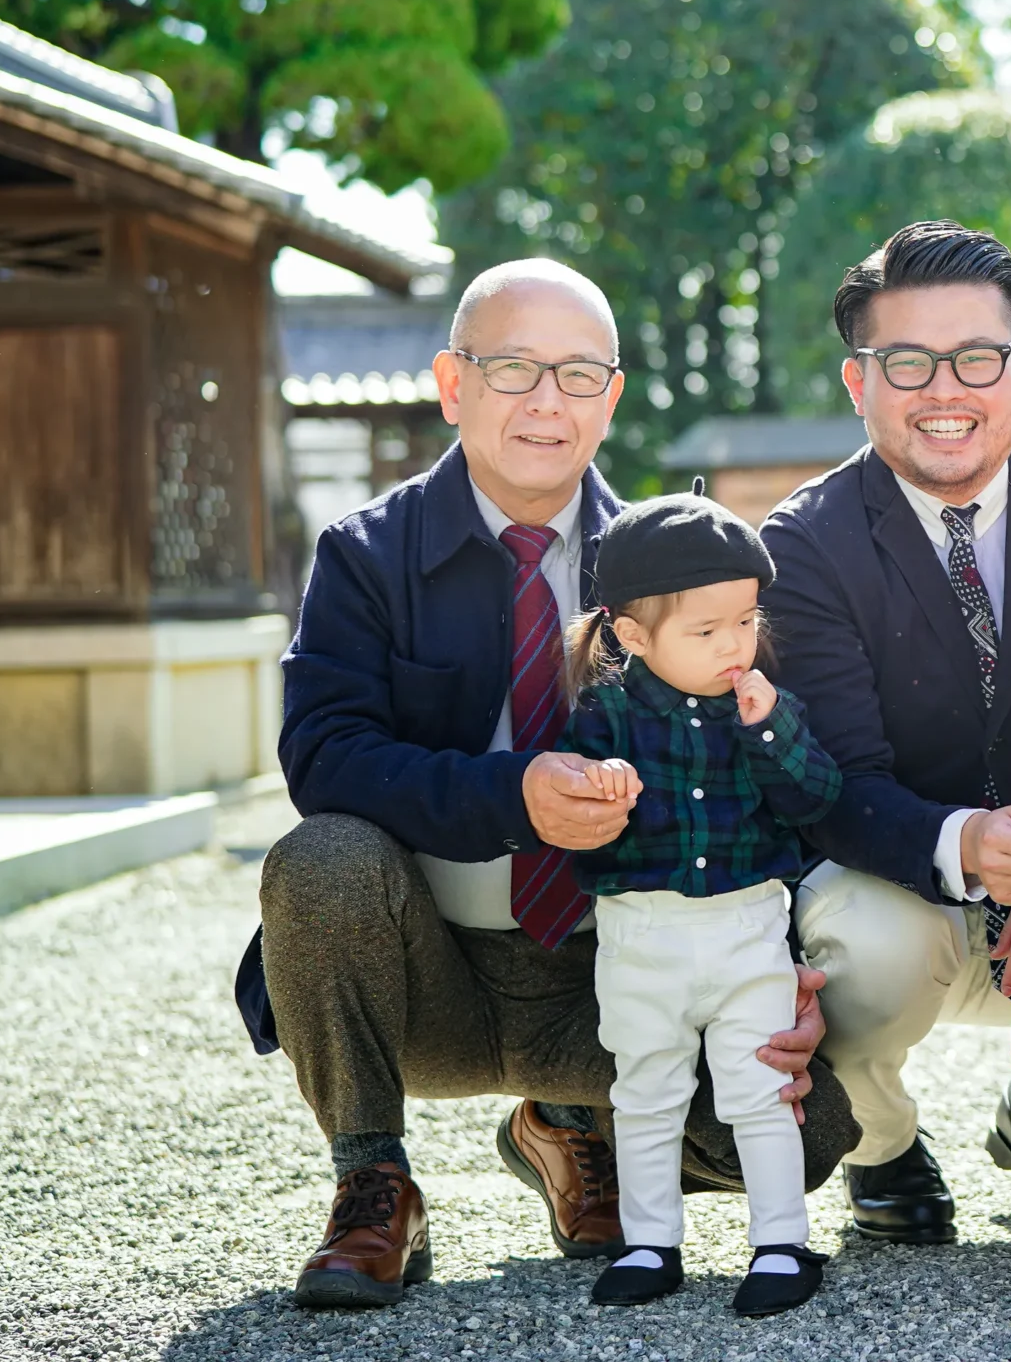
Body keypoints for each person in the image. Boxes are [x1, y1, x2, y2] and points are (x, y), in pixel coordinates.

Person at [252, 260, 850, 1311]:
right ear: (452, 384)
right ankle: (372, 1179)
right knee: (321, 861)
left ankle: (569, 1123)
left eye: (577, 374)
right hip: (428, 972)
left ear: (611, 396)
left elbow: (768, 776)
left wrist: (783, 965)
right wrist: (509, 794)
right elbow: (323, 758)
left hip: (619, 972)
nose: (546, 401)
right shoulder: (366, 553)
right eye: (514, 367)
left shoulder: (678, 566)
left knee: (810, 1137)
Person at [759, 221, 1011, 1241]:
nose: (944, 388)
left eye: (977, 359)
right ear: (859, 383)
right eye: (906, 362)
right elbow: (832, 781)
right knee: (862, 944)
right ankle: (883, 1142)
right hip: (911, 884)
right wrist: (967, 846)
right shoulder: (802, 546)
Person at [555, 492, 851, 1317]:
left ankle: (781, 1242)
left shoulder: (764, 708)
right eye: (707, 630)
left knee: (758, 1089)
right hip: (639, 935)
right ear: (631, 634)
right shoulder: (604, 715)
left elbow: (815, 795)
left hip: (746, 928)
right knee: (646, 1086)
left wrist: (771, 732)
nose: (734, 645)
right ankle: (650, 1240)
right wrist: (594, 789)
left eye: (746, 622)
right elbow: (571, 826)